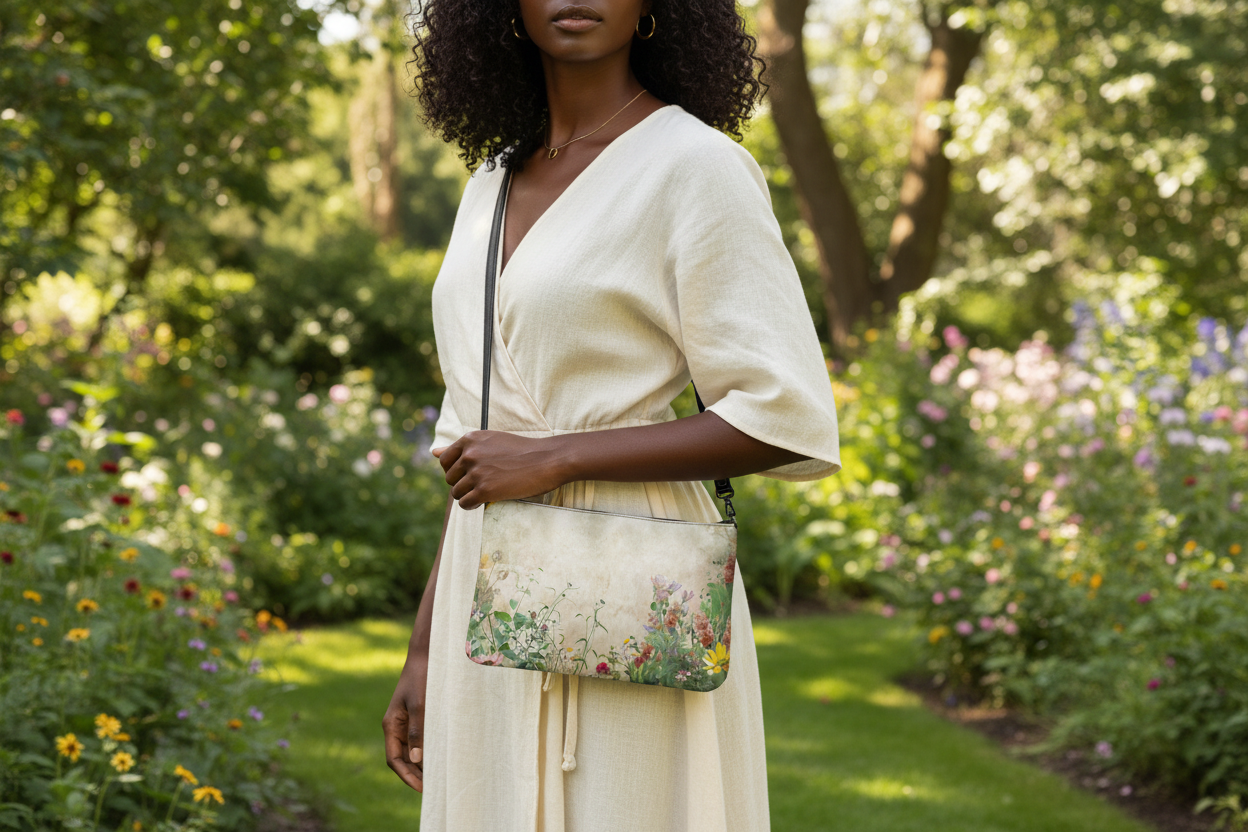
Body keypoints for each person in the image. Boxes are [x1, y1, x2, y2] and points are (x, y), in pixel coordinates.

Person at [382, 1, 842, 829]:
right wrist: (422, 648)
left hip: (635, 568)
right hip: (482, 591)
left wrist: (558, 458)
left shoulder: (695, 165)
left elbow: (783, 416)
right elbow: (474, 449)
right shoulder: (489, 182)